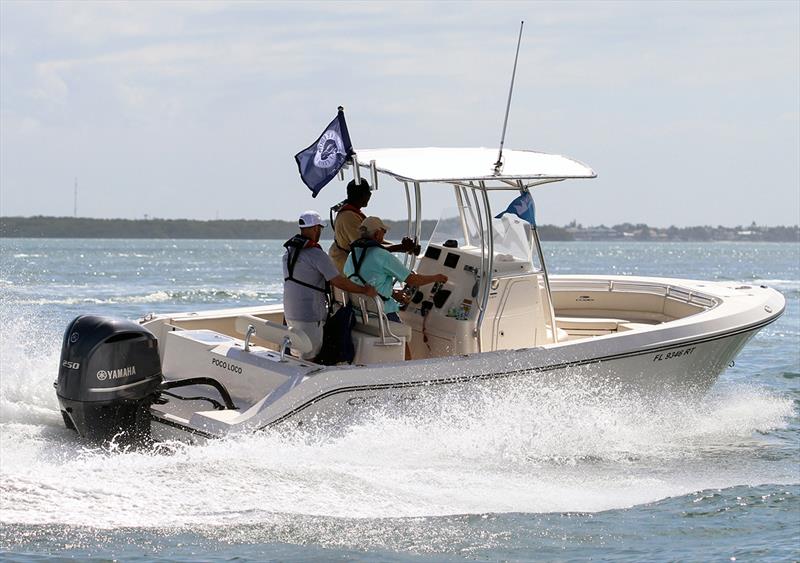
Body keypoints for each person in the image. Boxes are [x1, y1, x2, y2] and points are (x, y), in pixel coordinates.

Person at [283, 210, 377, 360]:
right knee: (310, 356)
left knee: (298, 353)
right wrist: (364, 290)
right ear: (315, 228)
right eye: (320, 228)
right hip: (310, 314)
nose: (320, 232)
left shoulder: (289, 253)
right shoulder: (316, 254)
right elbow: (338, 281)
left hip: (290, 311)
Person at [344, 216, 447, 323]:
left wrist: (392, 293)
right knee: (405, 332)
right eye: (384, 232)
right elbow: (412, 280)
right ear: (377, 233)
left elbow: (362, 282)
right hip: (382, 315)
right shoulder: (382, 255)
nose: (384, 235)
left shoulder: (352, 255)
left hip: (359, 314)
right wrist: (437, 277)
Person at [328, 178, 419, 273]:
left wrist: (406, 248)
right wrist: (401, 247)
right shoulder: (348, 216)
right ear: (362, 194)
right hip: (345, 270)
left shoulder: (352, 213)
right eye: (368, 192)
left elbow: (374, 242)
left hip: (352, 267)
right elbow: (366, 247)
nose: (370, 195)